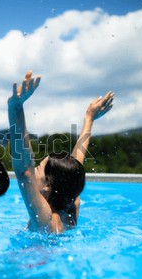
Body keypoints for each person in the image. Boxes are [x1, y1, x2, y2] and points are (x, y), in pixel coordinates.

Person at [8, 71, 114, 234]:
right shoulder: (71, 207)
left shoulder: (45, 218)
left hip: (32, 259)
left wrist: (15, 108)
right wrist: (89, 119)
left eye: (37, 170)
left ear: (47, 186)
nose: (34, 169)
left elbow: (24, 171)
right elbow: (74, 166)